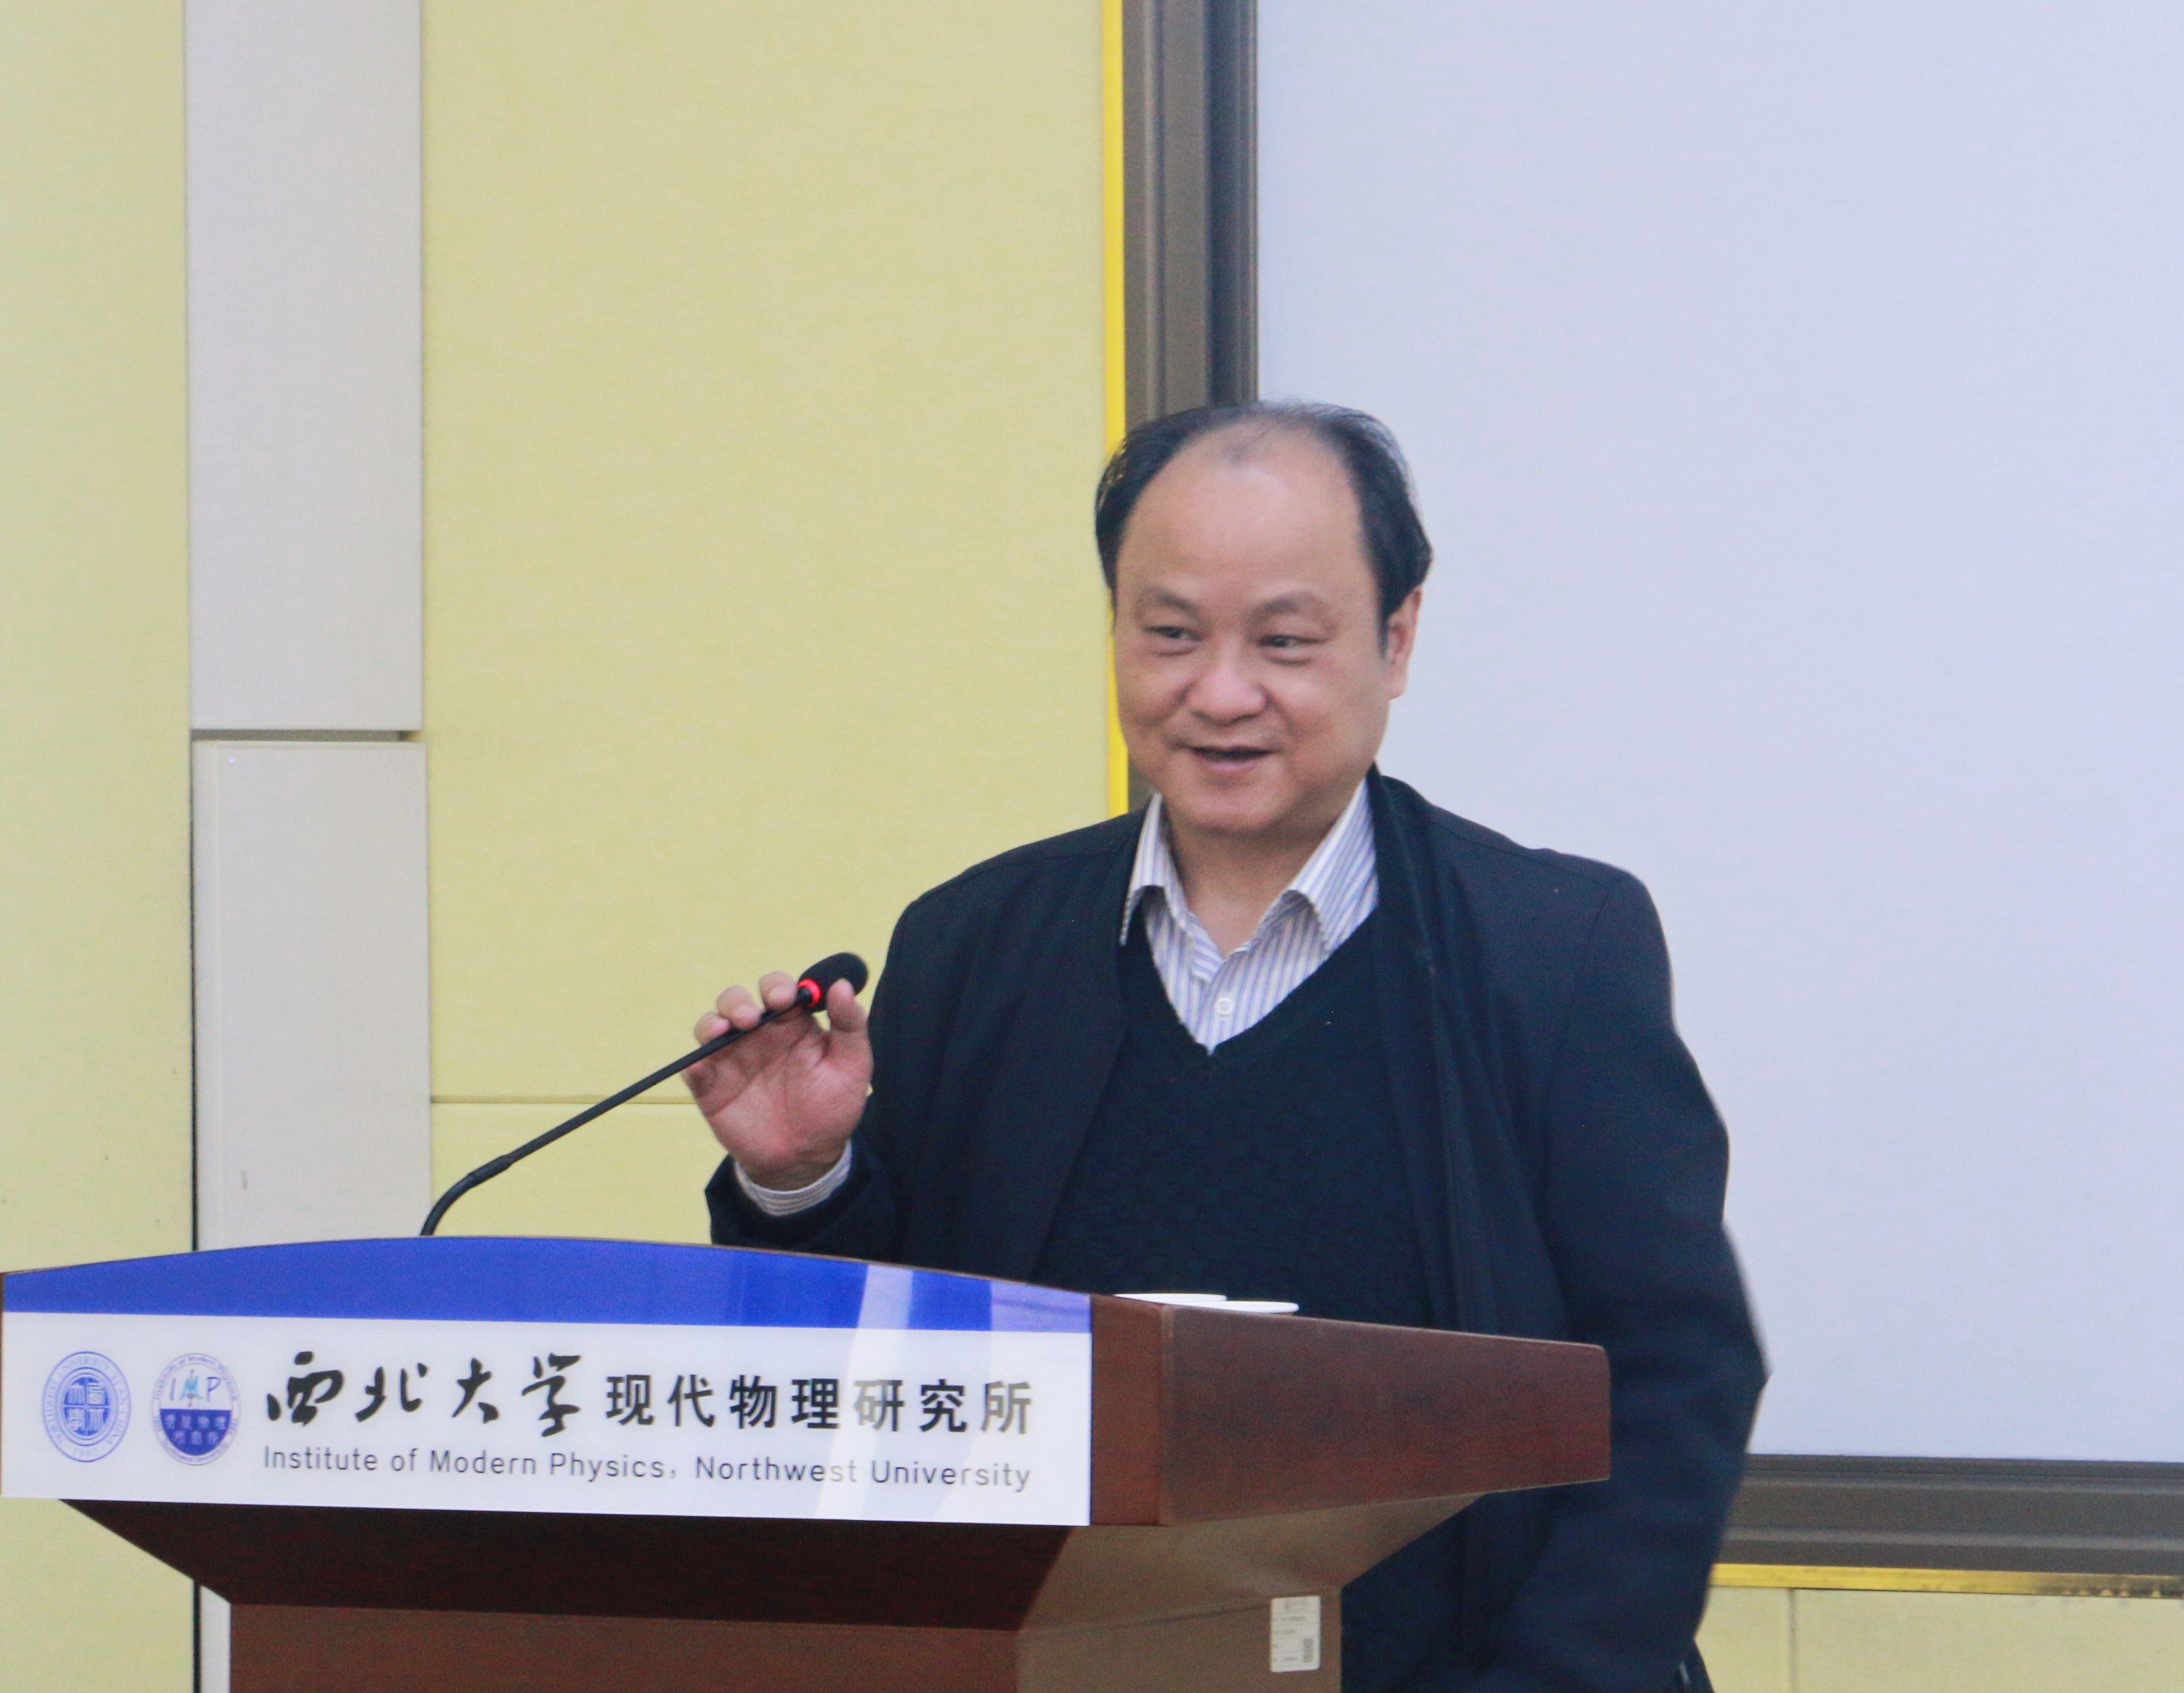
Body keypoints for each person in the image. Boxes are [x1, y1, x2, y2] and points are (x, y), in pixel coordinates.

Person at [689, 401, 1765, 1693]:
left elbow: (1674, 1374)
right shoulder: (974, 943)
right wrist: (802, 1181)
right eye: (1172, 634)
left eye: (1285, 641)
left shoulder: (1551, 949)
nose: (1221, 693)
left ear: (1397, 638)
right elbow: (878, 1378)